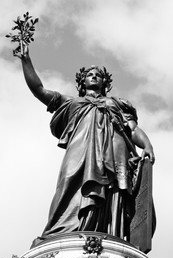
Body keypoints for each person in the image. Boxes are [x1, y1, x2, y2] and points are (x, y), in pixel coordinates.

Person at [20, 44, 155, 246]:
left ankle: (107, 238)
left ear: (105, 82)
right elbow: (39, 90)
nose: (94, 76)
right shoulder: (72, 102)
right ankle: (60, 233)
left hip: (114, 153)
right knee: (68, 185)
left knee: (112, 192)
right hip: (80, 152)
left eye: (98, 75)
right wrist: (26, 61)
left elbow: (133, 129)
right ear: (82, 81)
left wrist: (148, 145)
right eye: (89, 74)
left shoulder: (117, 104)